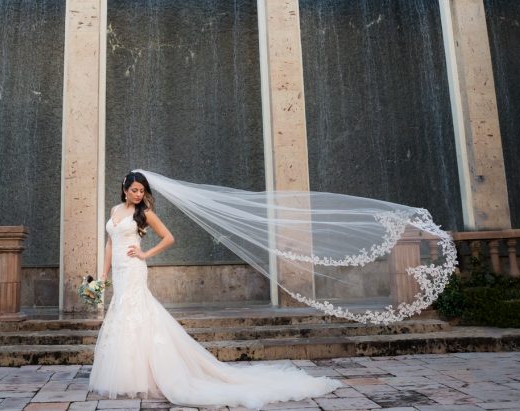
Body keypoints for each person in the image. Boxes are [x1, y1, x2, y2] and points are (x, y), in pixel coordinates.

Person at [88, 171, 342, 408]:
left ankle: (145, 376)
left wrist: (145, 254)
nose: (138, 195)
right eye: (134, 190)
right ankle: (126, 375)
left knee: (137, 313)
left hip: (133, 269)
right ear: (124, 189)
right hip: (119, 273)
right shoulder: (115, 210)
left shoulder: (144, 214)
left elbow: (169, 237)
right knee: (121, 315)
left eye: (142, 191)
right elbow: (111, 243)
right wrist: (103, 273)